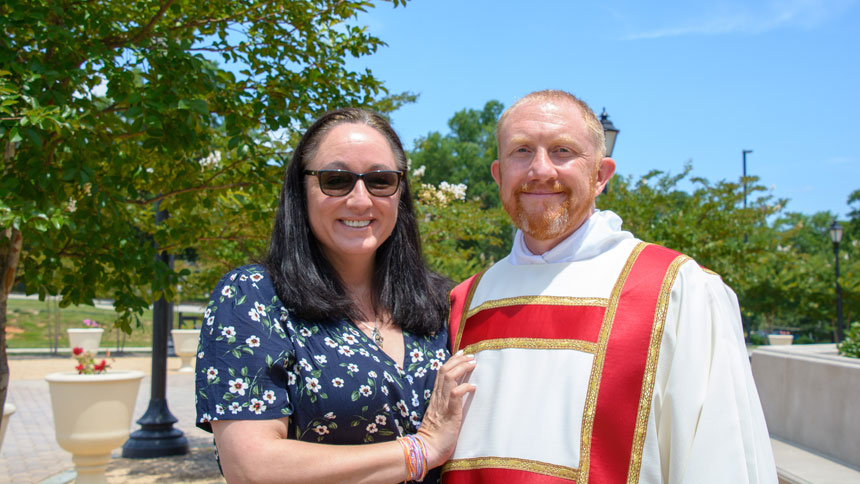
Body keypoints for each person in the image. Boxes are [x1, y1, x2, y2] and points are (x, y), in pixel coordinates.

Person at [442, 90, 777, 484]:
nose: (540, 170)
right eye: (521, 151)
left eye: (563, 151)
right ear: (499, 175)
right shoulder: (467, 300)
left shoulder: (677, 290)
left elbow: (722, 459)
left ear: (600, 175)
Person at [195, 108, 477, 483]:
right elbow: (251, 468)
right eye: (336, 180)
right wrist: (420, 449)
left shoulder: (441, 301)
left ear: (400, 192)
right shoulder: (253, 298)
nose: (360, 200)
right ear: (301, 190)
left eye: (380, 180)